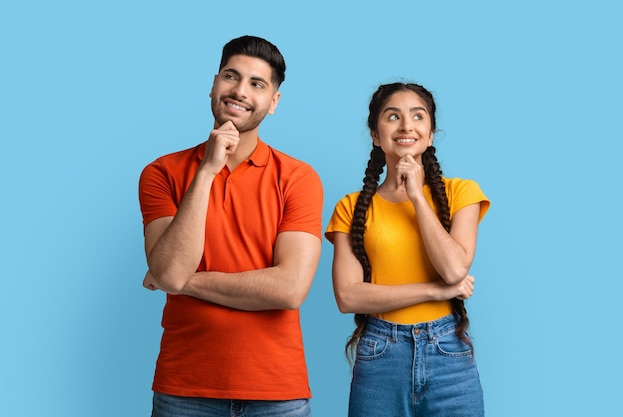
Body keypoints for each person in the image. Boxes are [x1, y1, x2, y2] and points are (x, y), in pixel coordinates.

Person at [138, 35, 323, 417]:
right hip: (183, 390)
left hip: (276, 393)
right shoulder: (161, 173)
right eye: (231, 77)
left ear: (273, 103)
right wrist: (206, 171)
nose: (239, 91)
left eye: (257, 84)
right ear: (214, 84)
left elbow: (289, 289)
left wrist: (183, 281)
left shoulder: (298, 178)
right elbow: (170, 270)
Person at [325, 82, 490, 417]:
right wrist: (434, 291)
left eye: (418, 116)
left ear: (429, 135)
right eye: (392, 116)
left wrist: (416, 195)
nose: (406, 126)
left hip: (449, 356)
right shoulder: (351, 207)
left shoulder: (462, 192)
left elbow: (455, 269)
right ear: (375, 134)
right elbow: (348, 297)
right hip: (380, 354)